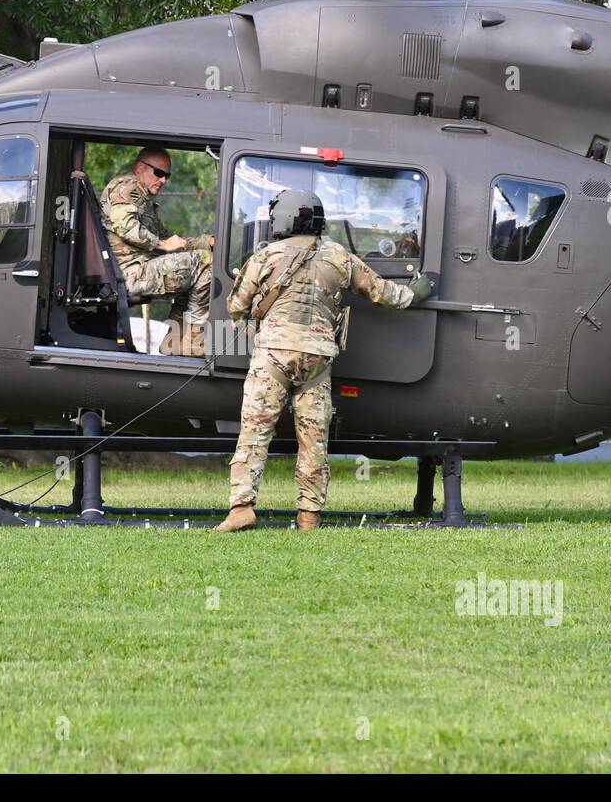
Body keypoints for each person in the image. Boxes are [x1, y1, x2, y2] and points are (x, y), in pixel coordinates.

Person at [213, 188, 435, 532]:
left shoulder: (265, 256)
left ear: (283, 219)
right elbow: (384, 293)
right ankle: (309, 516)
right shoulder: (338, 257)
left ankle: (242, 508)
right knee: (314, 441)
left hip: (274, 355)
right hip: (316, 361)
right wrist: (419, 292)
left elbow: (236, 306)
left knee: (255, 433)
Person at [101, 148, 213, 357]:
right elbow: (125, 226)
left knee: (195, 270)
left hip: (139, 271)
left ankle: (175, 344)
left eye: (167, 176)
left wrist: (205, 241)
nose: (163, 181)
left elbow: (173, 242)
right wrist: (161, 244)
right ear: (140, 168)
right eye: (159, 173)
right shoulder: (127, 186)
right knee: (205, 263)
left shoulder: (144, 202)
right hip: (129, 275)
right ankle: (194, 343)